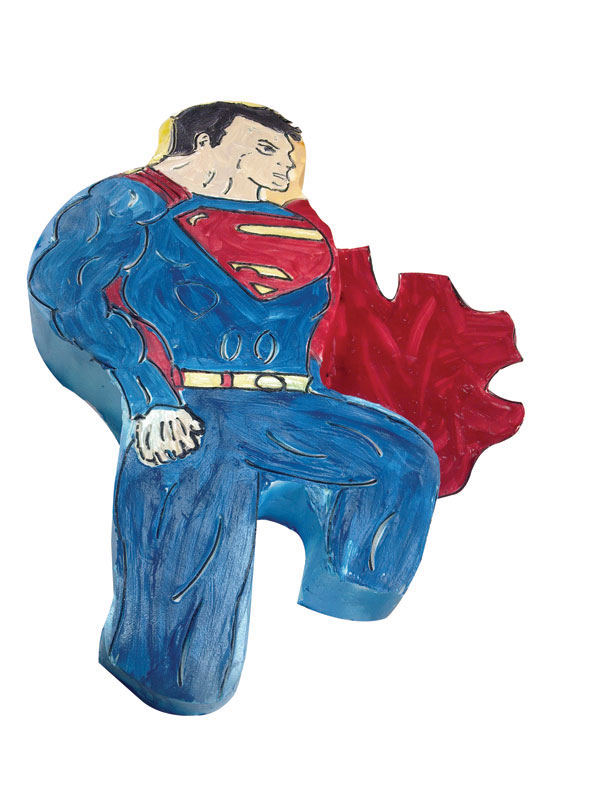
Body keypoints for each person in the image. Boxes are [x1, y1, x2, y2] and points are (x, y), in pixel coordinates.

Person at [28, 102, 440, 715]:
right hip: (188, 409)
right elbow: (72, 299)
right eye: (265, 148)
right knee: (186, 615)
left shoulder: (287, 223)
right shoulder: (128, 201)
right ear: (204, 143)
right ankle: (162, 678)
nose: (285, 165)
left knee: (401, 459)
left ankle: (344, 608)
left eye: (289, 154)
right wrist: (148, 399)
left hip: (285, 406)